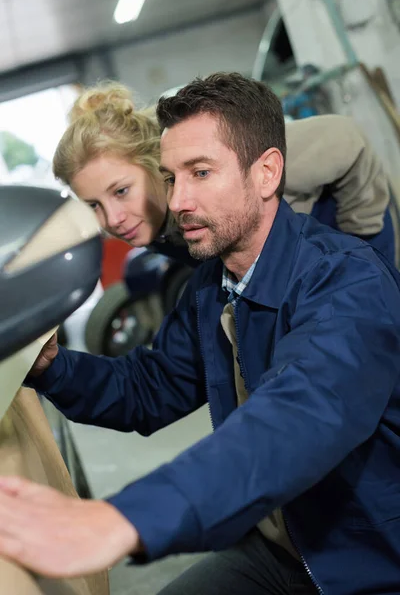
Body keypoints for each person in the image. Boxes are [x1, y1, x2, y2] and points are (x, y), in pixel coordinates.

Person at [0, 72, 399, 595]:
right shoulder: (212, 286)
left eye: (201, 173)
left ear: (266, 173)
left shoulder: (347, 284)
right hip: (287, 544)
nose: (180, 200)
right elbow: (151, 386)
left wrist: (122, 520)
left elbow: (291, 423)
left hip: (369, 559)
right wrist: (53, 366)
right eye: (169, 178)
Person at [52, 81, 395, 265]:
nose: (113, 218)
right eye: (93, 205)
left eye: (121, 191)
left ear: (152, 162)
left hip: (349, 239)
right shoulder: (156, 229)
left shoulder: (223, 153)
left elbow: (347, 141)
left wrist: (363, 244)